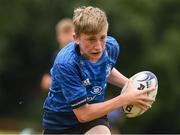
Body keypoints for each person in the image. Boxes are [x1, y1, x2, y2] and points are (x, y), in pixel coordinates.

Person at [42, 6, 155, 134]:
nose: (98, 47)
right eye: (91, 39)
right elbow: (83, 114)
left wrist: (129, 84)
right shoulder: (66, 63)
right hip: (60, 125)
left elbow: (105, 69)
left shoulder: (111, 47)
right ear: (76, 38)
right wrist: (125, 98)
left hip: (93, 118)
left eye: (102, 38)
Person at [40, 18, 74, 91]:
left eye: (70, 33)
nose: (68, 38)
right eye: (65, 33)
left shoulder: (82, 54)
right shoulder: (56, 56)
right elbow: (45, 82)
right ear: (58, 37)